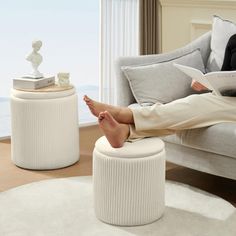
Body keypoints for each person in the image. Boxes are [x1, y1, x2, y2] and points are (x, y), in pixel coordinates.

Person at [84, 37, 236, 148]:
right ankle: (125, 131)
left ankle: (126, 114)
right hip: (224, 99)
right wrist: (206, 83)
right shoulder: (233, 40)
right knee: (188, 111)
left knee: (197, 103)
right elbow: (223, 75)